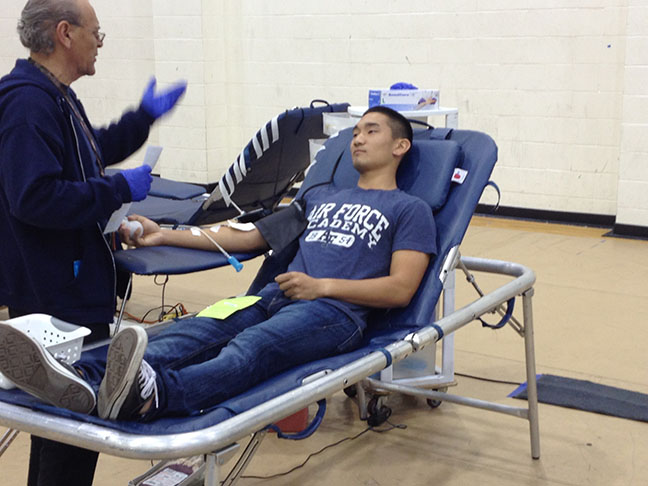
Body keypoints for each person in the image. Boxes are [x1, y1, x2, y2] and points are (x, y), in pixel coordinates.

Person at [0, 106, 437, 425]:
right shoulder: (318, 197)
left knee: (252, 349)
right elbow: (248, 236)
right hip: (275, 296)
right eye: (356, 131)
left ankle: (154, 396)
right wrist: (164, 233)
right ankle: (73, 377)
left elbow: (400, 288)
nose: (357, 138)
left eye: (371, 130)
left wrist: (322, 286)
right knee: (192, 333)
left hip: (332, 313)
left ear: (400, 145)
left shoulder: (409, 209)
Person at [0, 0, 186, 483]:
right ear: (65, 33)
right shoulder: (27, 104)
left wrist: (141, 118)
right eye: (96, 34)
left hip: (70, 278)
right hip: (56, 294)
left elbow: (89, 151)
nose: (99, 45)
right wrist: (118, 189)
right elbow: (34, 198)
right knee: (74, 425)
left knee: (61, 427)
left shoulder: (54, 96)